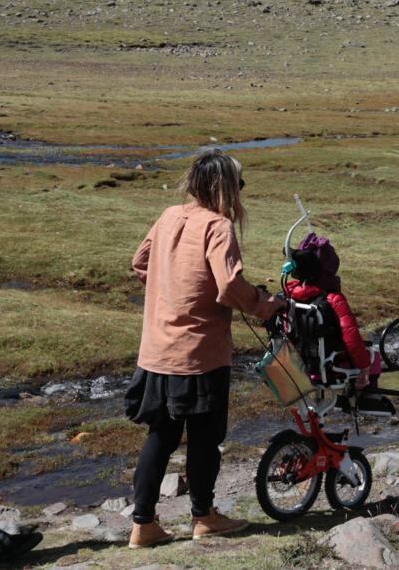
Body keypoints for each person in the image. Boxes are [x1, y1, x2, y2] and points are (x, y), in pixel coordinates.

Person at [124, 150, 283, 549]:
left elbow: (139, 262)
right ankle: (203, 516)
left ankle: (143, 525)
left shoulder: (167, 216)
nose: (241, 192)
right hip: (199, 354)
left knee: (160, 436)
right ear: (223, 187)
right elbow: (229, 287)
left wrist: (170, 291)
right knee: (205, 439)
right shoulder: (218, 226)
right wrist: (265, 305)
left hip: (157, 350)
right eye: (239, 185)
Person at [284, 232, 395, 416]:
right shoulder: (333, 299)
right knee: (371, 353)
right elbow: (351, 337)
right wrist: (364, 367)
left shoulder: (291, 296)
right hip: (329, 366)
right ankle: (367, 395)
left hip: (301, 364)